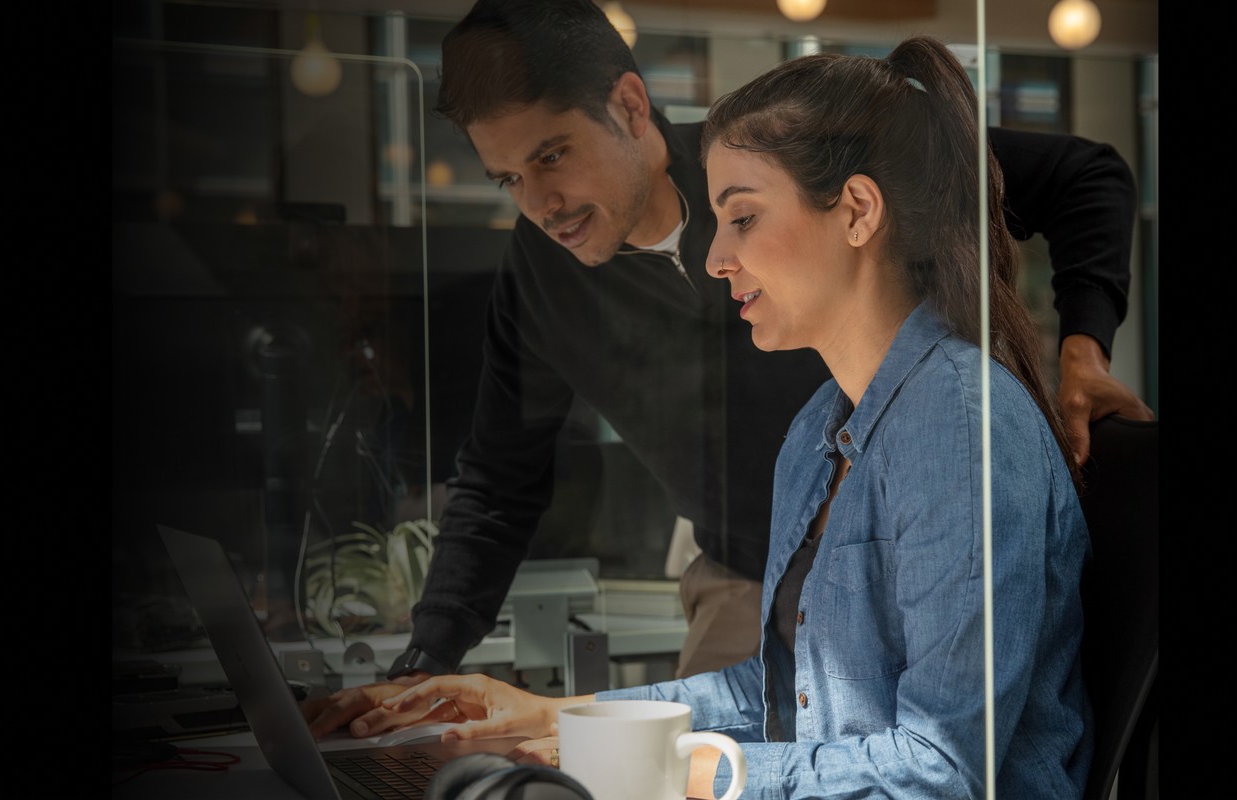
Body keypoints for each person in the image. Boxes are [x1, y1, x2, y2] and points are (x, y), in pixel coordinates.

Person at [301, 0, 1147, 738]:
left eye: (552, 156)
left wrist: (1083, 354)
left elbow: (943, 767)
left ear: (630, 106)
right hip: (765, 571)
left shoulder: (790, 154)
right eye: (508, 179)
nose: (536, 202)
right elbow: (498, 475)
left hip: (901, 546)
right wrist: (466, 686)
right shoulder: (812, 429)